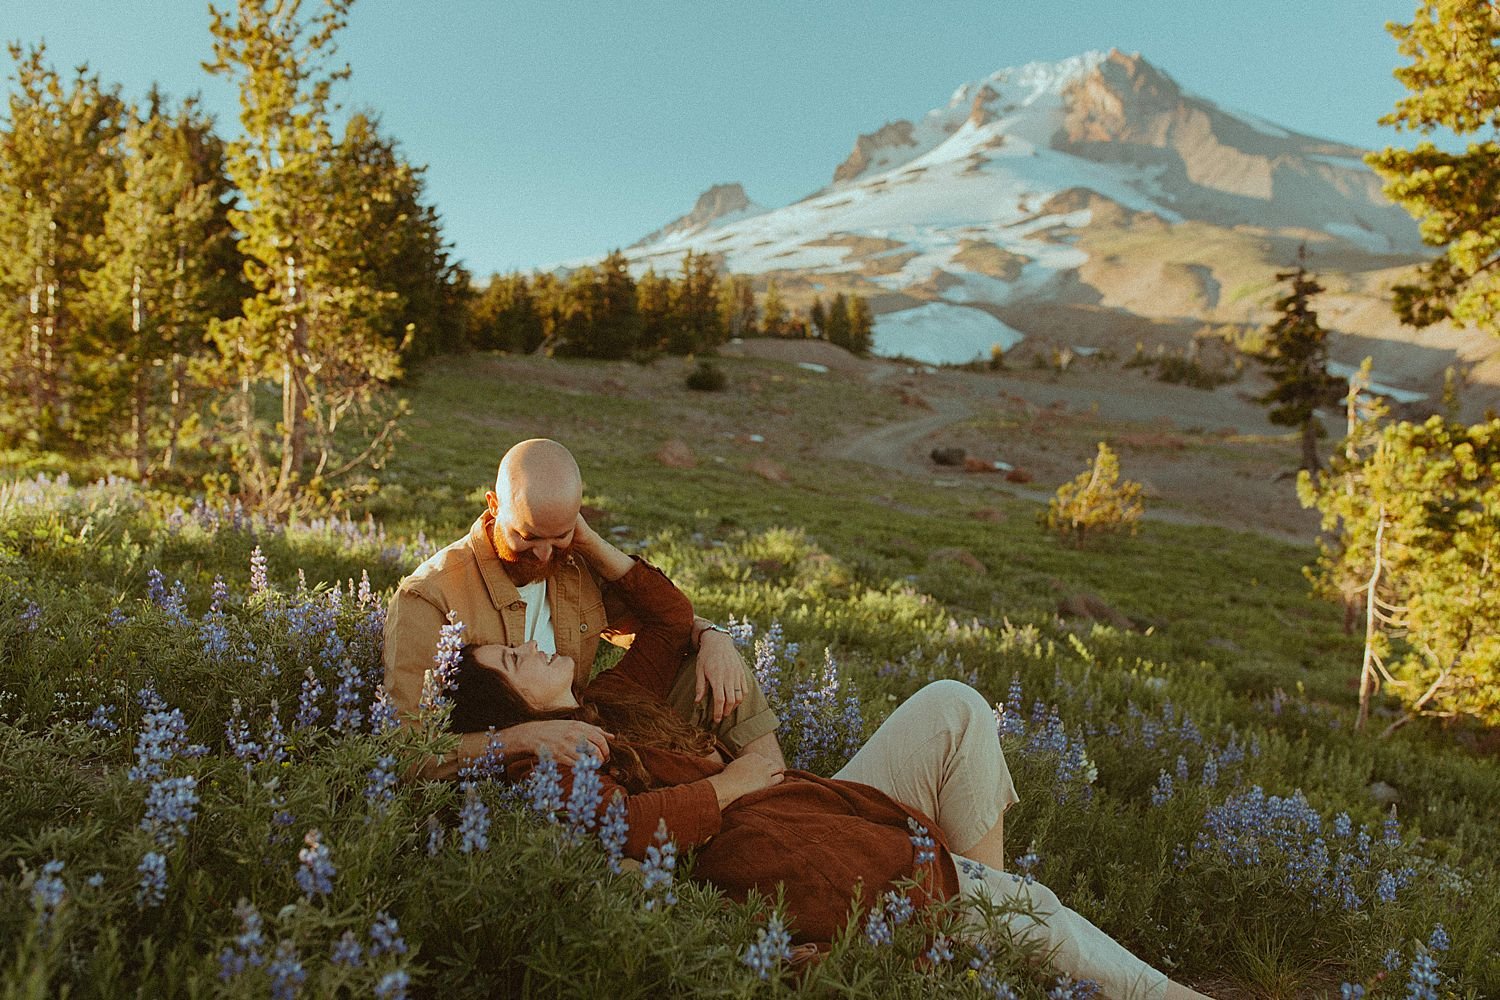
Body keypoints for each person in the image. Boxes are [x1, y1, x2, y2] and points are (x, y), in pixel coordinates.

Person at [450, 515, 1213, 1000]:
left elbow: (668, 615)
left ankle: (976, 937)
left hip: (800, 812)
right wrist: (734, 785)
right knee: (1039, 915)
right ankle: (1015, 936)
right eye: (516, 660)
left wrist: (578, 533)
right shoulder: (543, 763)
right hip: (783, 848)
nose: (533, 646)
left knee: (953, 706)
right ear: (519, 709)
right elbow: (615, 828)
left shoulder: (606, 705)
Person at [381, 438, 784, 780]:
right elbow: (406, 748)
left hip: (591, 733)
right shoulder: (431, 595)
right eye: (527, 536)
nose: (541, 555)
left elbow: (658, 621)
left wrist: (711, 635)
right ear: (494, 504)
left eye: (559, 536)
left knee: (713, 669)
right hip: (516, 778)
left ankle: (779, 795)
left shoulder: (569, 559)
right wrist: (522, 739)